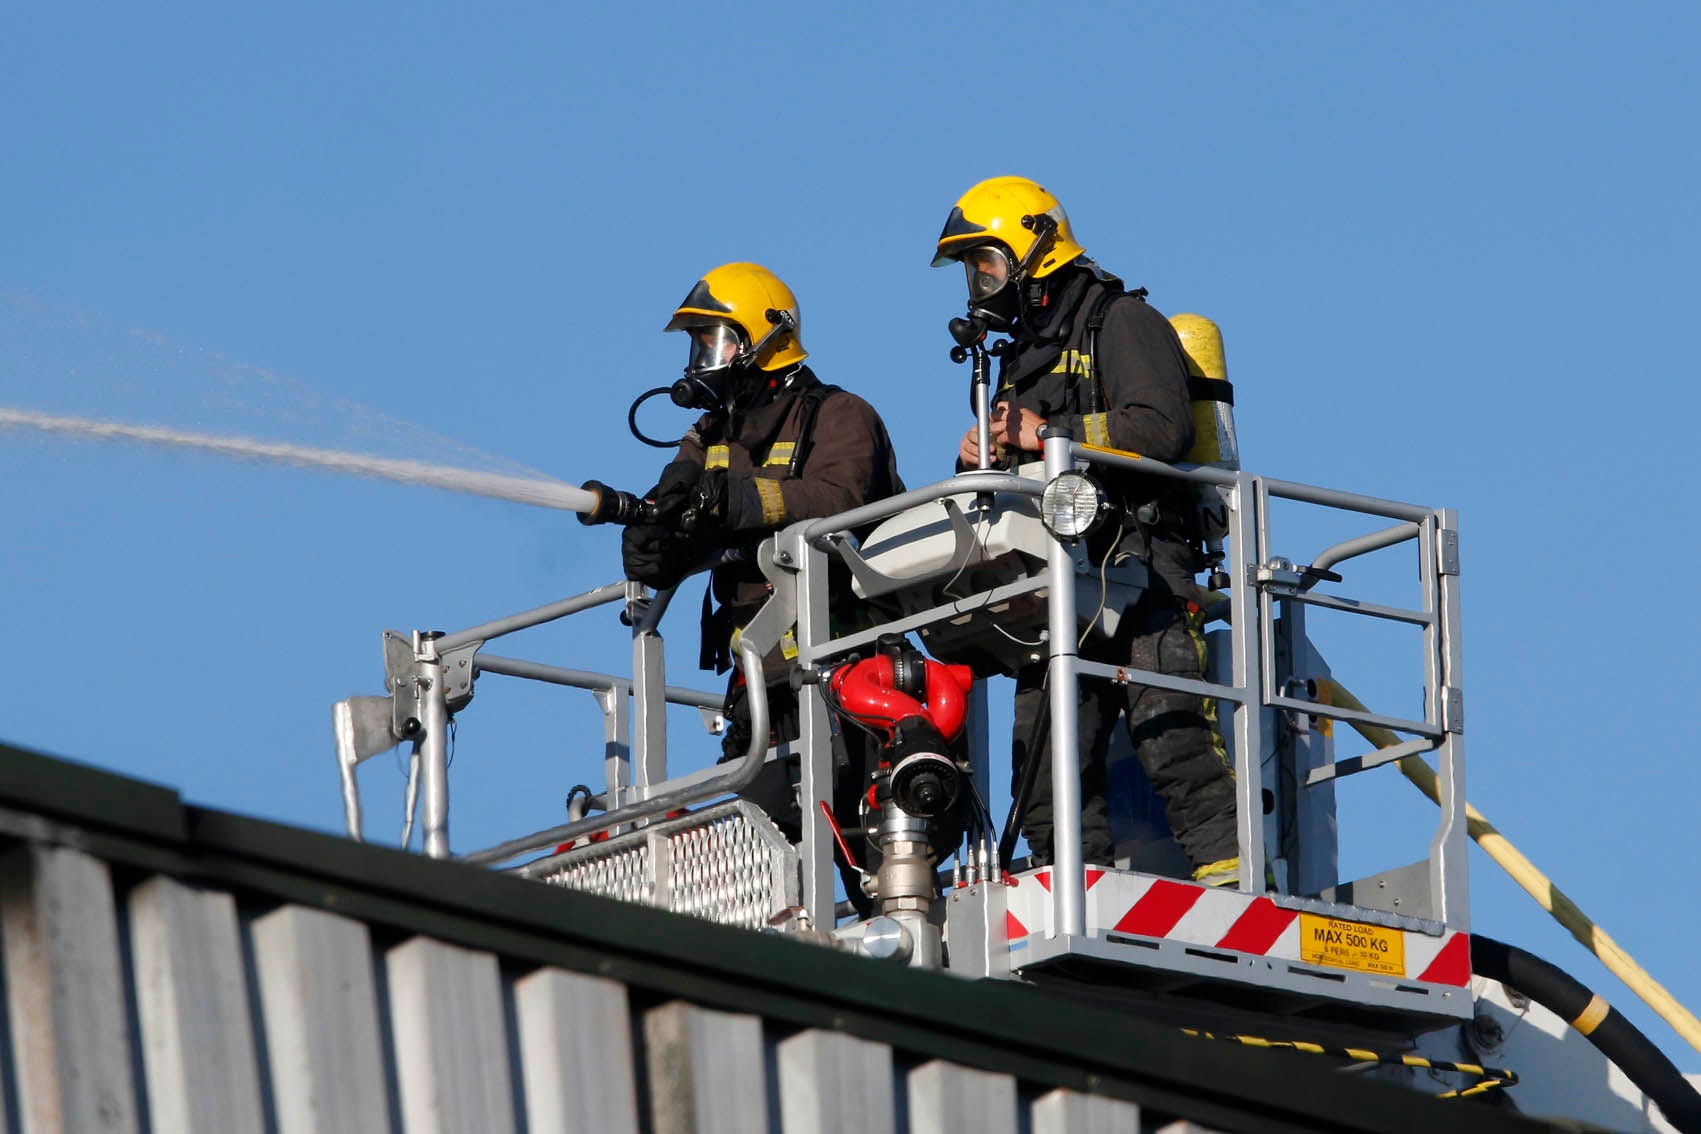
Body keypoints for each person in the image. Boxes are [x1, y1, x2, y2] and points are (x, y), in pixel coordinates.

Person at [931, 176, 1240, 887]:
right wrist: (976, 458)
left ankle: (1234, 888)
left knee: (1172, 739)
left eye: (985, 262)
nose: (978, 283)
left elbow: (1160, 427)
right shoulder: (1019, 356)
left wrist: (1050, 434)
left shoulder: (1121, 321)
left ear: (1032, 248)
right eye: (971, 269)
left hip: (1144, 569)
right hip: (1056, 586)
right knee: (1043, 770)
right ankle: (1074, 894)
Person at [620, 262, 904, 858]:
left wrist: (737, 500)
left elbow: (840, 500)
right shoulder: (709, 434)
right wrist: (651, 539)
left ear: (765, 340)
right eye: (698, 346)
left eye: (716, 342)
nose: (702, 361)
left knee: (871, 856)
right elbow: (679, 503)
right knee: (758, 854)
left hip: (848, 667)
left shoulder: (839, 414)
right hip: (759, 683)